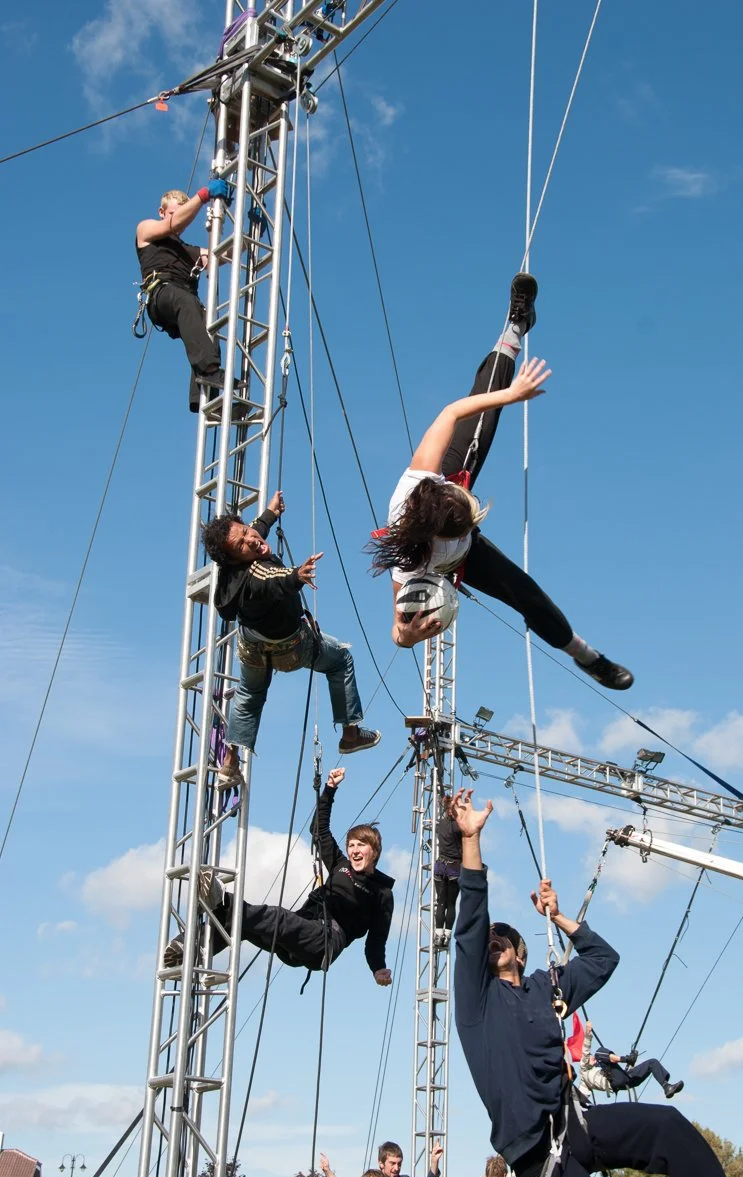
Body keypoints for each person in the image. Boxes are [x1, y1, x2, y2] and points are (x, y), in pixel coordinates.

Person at [451, 786, 743, 1177]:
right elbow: (473, 919)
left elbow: (603, 960)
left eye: (503, 938)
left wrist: (560, 918)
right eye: (488, 940)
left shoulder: (547, 987)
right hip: (538, 1155)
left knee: (668, 1128)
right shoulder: (477, 1001)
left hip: (576, 1123)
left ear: (520, 951)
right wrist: (471, 840)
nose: (492, 940)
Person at [371, 274, 633, 692]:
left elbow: (451, 411)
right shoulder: (412, 558)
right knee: (525, 594)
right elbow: (396, 633)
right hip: (453, 561)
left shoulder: (419, 477)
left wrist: (510, 396)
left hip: (443, 492)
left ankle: (516, 325)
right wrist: (407, 636)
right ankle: (589, 657)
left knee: (481, 418)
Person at [201, 489, 380, 788]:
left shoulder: (231, 569)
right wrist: (297, 575)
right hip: (292, 648)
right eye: (242, 544)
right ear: (235, 559)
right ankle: (350, 735)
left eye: (246, 532)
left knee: (249, 695)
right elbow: (273, 581)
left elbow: (253, 535)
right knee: (341, 660)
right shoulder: (258, 574)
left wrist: (269, 515)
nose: (252, 541)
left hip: (253, 647)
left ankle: (230, 763)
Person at [163, 767, 394, 984]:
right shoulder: (340, 865)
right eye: (351, 845)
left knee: (274, 917)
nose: (354, 850)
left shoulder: (381, 892)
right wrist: (329, 790)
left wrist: (378, 968)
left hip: (324, 943)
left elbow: (376, 939)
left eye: (361, 845)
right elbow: (319, 830)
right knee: (242, 925)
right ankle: (189, 949)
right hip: (301, 928)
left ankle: (223, 902)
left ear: (374, 851)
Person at [135, 181, 234, 412]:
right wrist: (202, 196)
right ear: (162, 212)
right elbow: (172, 225)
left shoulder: (187, 250)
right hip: (162, 294)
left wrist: (249, 236)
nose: (179, 217)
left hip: (182, 300)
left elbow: (220, 255)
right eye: (173, 212)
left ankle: (204, 398)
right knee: (186, 301)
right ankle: (210, 370)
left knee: (208, 325)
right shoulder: (146, 230)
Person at [579, 1021, 684, 1100]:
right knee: (599, 1053)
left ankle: (666, 1086)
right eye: (590, 1058)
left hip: (626, 1080)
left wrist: (630, 1067)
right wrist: (588, 1034)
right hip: (614, 1082)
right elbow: (586, 1051)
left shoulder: (599, 1067)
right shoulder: (584, 1070)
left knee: (653, 1062)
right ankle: (626, 1059)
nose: (592, 1058)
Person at [434, 795, 462, 949]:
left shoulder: (440, 825)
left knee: (441, 902)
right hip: (454, 867)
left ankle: (438, 934)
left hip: (440, 866)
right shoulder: (458, 827)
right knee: (451, 903)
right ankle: (446, 934)